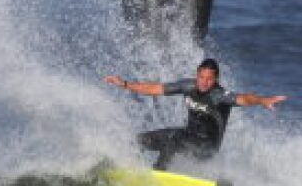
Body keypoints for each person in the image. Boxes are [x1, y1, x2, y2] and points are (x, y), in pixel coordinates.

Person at [104, 58, 287, 169]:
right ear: (197, 74)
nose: (204, 82)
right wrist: (126, 84)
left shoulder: (219, 96)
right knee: (140, 140)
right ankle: (130, 168)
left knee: (173, 139)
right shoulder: (188, 86)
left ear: (215, 79)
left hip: (207, 148)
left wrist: (263, 100)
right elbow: (155, 88)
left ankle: (157, 175)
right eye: (202, 77)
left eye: (210, 79)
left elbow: (244, 99)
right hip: (187, 137)